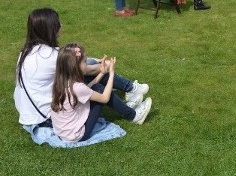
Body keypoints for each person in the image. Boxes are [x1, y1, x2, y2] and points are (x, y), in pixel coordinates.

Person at [14, 8, 151, 130]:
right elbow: (87, 70)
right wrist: (107, 66)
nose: (61, 25)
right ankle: (133, 107)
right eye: (58, 23)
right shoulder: (50, 56)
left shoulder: (27, 51)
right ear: (50, 29)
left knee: (87, 70)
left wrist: (92, 61)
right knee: (96, 84)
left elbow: (75, 62)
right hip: (46, 118)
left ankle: (131, 89)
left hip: (30, 112)